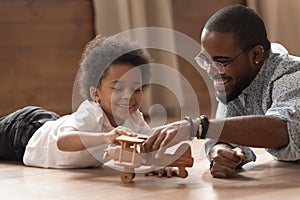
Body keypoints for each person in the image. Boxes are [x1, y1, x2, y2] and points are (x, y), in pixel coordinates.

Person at [144, 5, 300, 178]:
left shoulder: (292, 77)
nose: (211, 71)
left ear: (256, 55)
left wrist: (196, 126)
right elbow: (222, 129)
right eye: (205, 61)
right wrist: (221, 151)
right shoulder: (238, 79)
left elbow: (284, 129)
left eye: (221, 62)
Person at [0, 34, 151, 168]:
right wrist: (107, 137)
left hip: (49, 128)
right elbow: (63, 141)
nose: (128, 96)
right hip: (25, 131)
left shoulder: (135, 118)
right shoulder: (92, 113)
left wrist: (161, 166)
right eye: (118, 88)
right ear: (95, 94)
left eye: (136, 89)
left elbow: (149, 147)